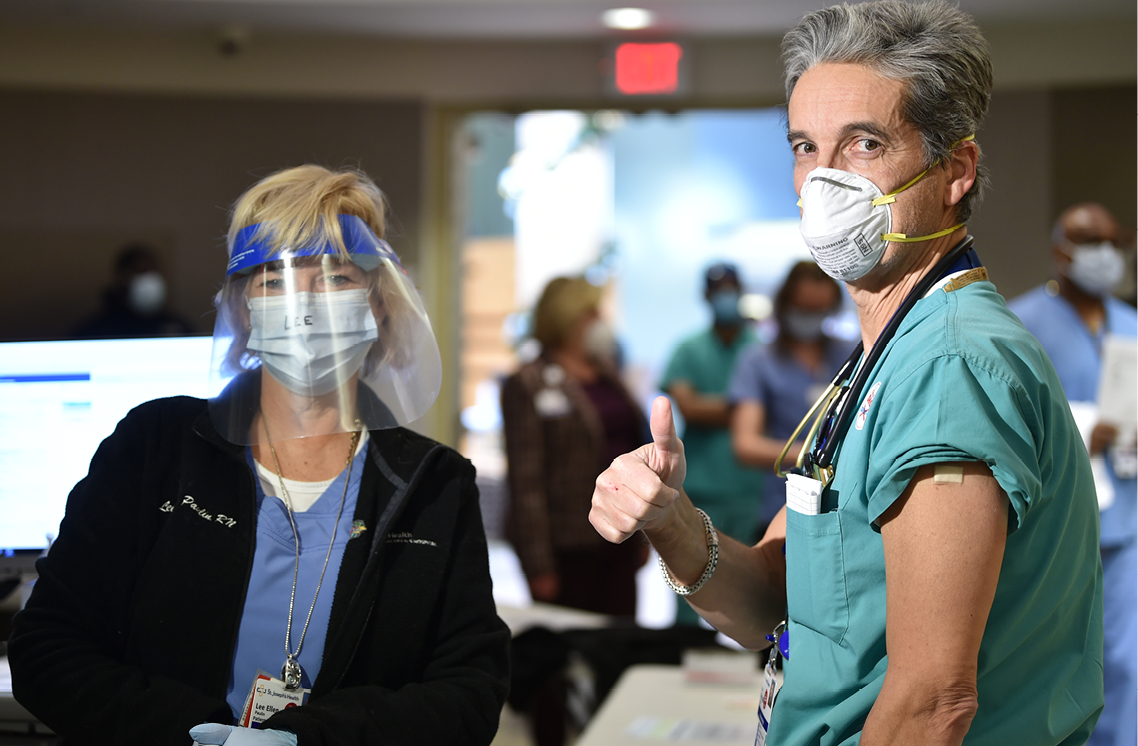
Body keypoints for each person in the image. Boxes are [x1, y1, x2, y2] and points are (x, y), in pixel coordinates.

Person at [588, 2, 1103, 745]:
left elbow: (932, 700)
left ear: (955, 170)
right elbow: (778, 598)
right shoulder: (886, 352)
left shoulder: (948, 364)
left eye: (864, 144)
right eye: (805, 146)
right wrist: (670, 522)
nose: (823, 180)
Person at [9, 165, 510, 746]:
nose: (303, 304)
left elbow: (469, 695)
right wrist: (192, 736)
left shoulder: (433, 485)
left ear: (376, 301)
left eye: (333, 276)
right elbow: (48, 646)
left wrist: (311, 740)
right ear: (243, 306)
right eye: (274, 278)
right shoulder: (155, 447)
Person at [1008, 203, 1136, 746]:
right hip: (1055, 518)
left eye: (1112, 240)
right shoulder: (1019, 323)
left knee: (1128, 655)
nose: (1104, 254)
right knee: (1057, 654)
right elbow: (1010, 423)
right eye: (1090, 241)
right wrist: (1085, 430)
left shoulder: (1130, 324)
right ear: (1061, 250)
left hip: (1127, 518)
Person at [500, 276, 648, 617]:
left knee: (620, 642)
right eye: (591, 313)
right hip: (566, 544)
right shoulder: (527, 382)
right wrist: (538, 564)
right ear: (567, 318)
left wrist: (644, 535)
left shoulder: (608, 374)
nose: (600, 322)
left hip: (619, 537)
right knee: (571, 651)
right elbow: (526, 481)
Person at [659, 262, 762, 626]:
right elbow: (688, 407)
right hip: (702, 489)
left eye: (732, 289)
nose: (726, 298)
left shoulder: (759, 348)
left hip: (751, 491)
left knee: (755, 590)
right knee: (688, 582)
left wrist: (718, 404)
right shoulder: (688, 350)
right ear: (705, 296)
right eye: (719, 291)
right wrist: (746, 405)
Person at [728, 261, 856, 533]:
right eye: (804, 309)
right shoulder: (758, 361)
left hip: (847, 508)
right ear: (785, 304)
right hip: (782, 507)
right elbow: (745, 444)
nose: (811, 316)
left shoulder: (852, 354)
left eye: (820, 310)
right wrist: (818, 456)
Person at [73, 243, 198, 338]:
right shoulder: (94, 331)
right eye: (138, 271)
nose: (147, 279)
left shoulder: (178, 327)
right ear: (120, 277)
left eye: (151, 271)